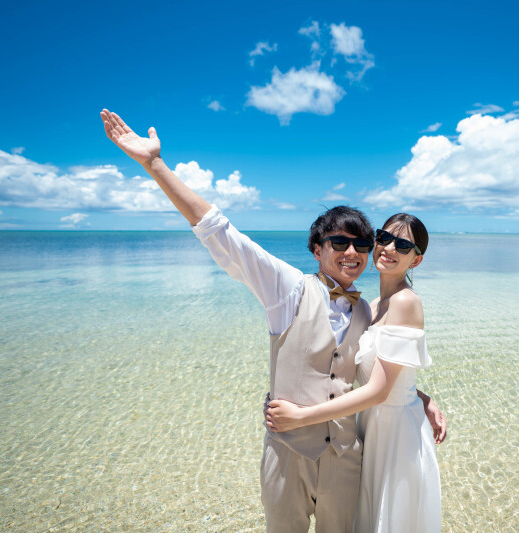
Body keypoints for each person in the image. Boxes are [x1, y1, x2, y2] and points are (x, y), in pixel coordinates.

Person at [99, 110, 446, 533]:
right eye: (339, 242)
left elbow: (382, 369)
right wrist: (155, 165)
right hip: (288, 451)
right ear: (316, 250)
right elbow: (222, 234)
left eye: (360, 243)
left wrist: (418, 398)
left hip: (349, 455)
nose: (353, 252)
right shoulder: (289, 288)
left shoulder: (367, 310)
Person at [265, 213, 442, 533]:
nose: (389, 247)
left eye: (402, 245)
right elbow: (381, 370)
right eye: (383, 237)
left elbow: (379, 390)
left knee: (388, 517)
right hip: (367, 424)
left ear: (415, 260)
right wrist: (423, 396)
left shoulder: (405, 302)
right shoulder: (371, 306)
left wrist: (302, 417)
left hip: (393, 429)